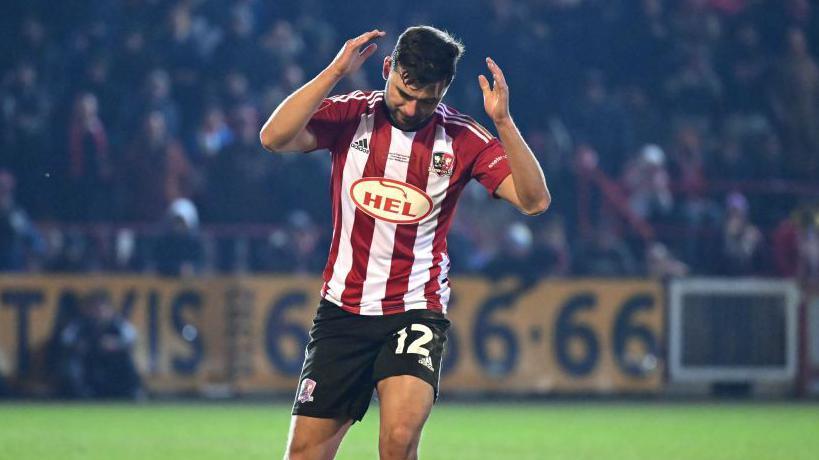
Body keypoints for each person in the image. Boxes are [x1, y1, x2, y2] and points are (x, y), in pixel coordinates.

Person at [260, 26, 550, 459]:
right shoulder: (352, 115)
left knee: (398, 441)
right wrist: (335, 71)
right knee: (303, 454)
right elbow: (273, 137)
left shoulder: (463, 138)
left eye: (427, 100)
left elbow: (534, 200)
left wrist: (504, 122)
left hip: (414, 310)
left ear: (445, 90)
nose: (412, 108)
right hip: (342, 310)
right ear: (386, 69)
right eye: (403, 93)